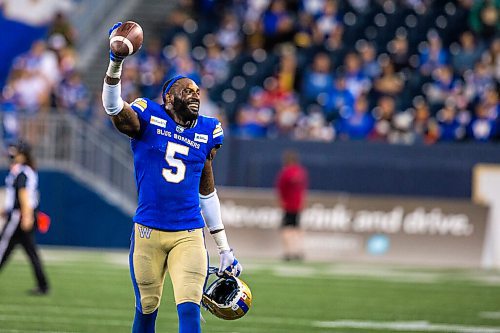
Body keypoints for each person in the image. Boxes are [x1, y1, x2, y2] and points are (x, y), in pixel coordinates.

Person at [101, 23, 243, 333]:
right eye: (187, 90)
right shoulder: (148, 116)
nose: (195, 94)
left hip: (188, 234)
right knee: (146, 310)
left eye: (197, 91)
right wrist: (116, 62)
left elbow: (207, 192)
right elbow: (113, 106)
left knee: (189, 310)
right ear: (168, 97)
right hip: (148, 233)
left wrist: (224, 247)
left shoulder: (207, 131)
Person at [0, 140, 49, 295]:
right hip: (22, 214)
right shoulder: (25, 170)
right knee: (30, 251)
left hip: (19, 216)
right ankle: (43, 285)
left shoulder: (22, 171)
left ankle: (43, 285)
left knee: (2, 246)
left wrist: (26, 215)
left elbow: (23, 193)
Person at [275, 150, 308, 261]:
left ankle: (289, 252)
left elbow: (280, 189)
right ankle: (298, 250)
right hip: (298, 205)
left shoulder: (285, 173)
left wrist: (282, 202)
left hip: (288, 205)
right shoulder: (301, 172)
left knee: (287, 229)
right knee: (297, 228)